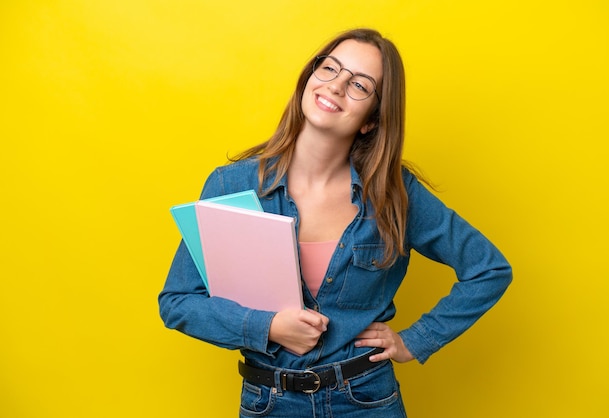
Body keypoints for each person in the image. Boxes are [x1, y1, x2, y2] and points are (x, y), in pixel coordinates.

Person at [158, 28, 512, 417]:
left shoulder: (396, 194)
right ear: (310, 78)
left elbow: (489, 269)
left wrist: (415, 340)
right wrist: (268, 326)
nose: (336, 86)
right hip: (268, 402)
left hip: (366, 400)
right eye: (329, 68)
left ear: (371, 121)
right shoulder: (232, 185)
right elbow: (178, 303)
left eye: (359, 84)